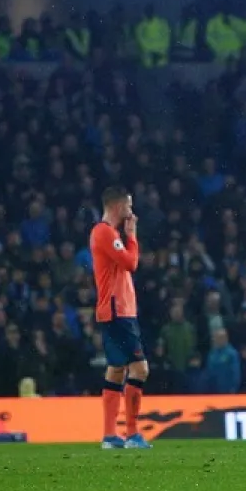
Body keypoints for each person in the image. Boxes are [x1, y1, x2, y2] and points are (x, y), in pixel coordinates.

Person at [91, 186, 151, 450]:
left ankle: (109, 436)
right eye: (128, 206)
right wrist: (132, 236)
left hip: (117, 311)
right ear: (117, 207)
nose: (131, 211)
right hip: (118, 311)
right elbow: (131, 263)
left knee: (116, 370)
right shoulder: (104, 232)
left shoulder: (108, 233)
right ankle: (132, 434)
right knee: (140, 369)